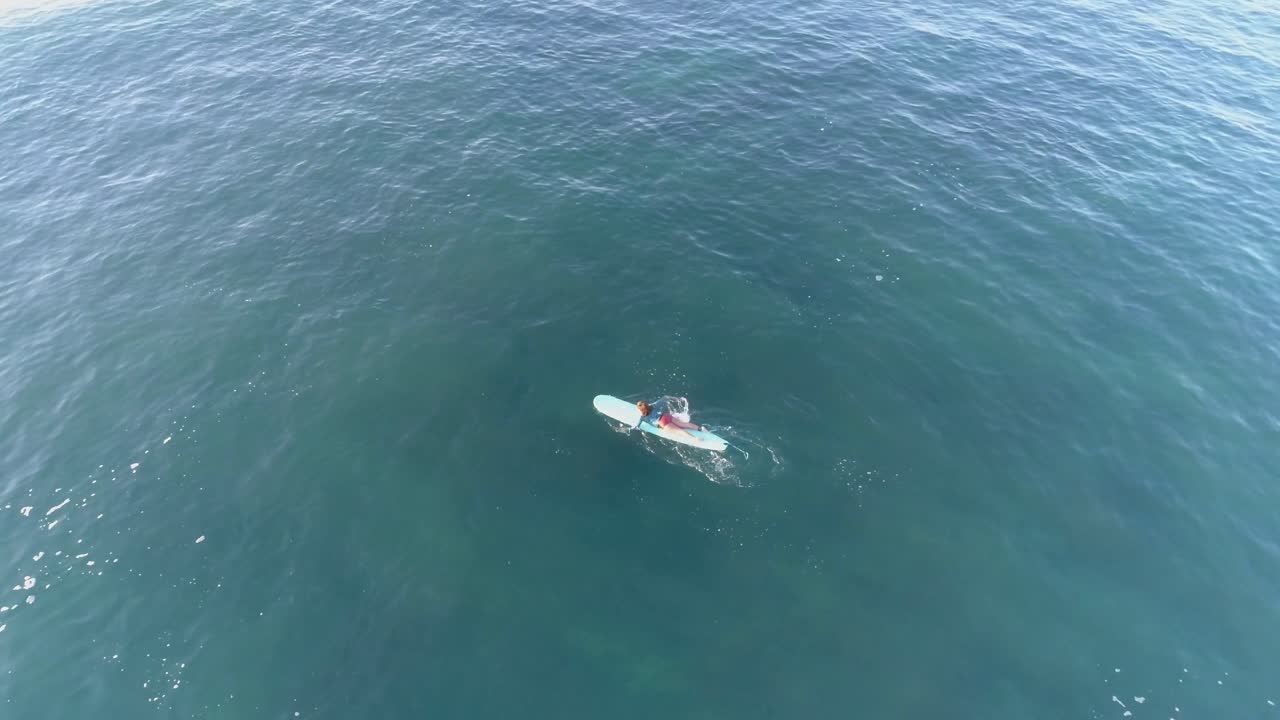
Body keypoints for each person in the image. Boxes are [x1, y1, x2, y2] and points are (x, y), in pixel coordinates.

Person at [636, 400, 702, 439]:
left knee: (679, 431)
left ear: (640, 410)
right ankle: (700, 428)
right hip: (666, 416)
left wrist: (631, 428)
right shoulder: (652, 406)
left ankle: (695, 439)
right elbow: (660, 402)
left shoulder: (643, 417)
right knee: (683, 424)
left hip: (662, 423)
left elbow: (637, 426)